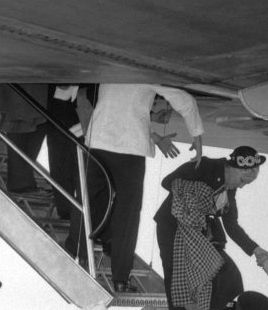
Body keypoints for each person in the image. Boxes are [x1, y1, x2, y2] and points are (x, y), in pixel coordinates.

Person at [85, 84, 204, 292]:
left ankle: (77, 254)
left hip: (98, 143)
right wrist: (197, 137)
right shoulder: (147, 73)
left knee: (87, 204)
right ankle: (120, 279)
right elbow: (186, 102)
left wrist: (156, 138)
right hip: (130, 150)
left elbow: (124, 108)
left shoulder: (106, 70)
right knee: (127, 216)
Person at [153, 146, 268, 310]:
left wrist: (256, 249)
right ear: (234, 168)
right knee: (194, 278)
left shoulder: (228, 191)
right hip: (173, 228)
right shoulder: (206, 166)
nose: (241, 186)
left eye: (246, 184)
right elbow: (168, 182)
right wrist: (197, 195)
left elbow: (232, 226)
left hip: (199, 235)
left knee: (229, 277)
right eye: (242, 181)